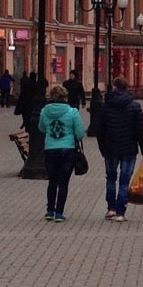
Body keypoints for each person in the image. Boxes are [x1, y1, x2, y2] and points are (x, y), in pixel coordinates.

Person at [95, 79, 143, 221]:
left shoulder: (105, 106)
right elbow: (141, 131)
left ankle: (111, 209)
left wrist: (102, 148)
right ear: (127, 88)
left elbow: (99, 130)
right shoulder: (134, 106)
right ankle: (121, 212)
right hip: (129, 149)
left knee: (111, 178)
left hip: (110, 148)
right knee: (124, 180)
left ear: (114, 87)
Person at [37, 83, 86, 223]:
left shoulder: (44, 111)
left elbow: (41, 128)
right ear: (65, 97)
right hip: (67, 150)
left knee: (52, 181)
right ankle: (59, 213)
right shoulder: (72, 112)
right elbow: (80, 133)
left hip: (50, 149)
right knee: (63, 182)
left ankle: (49, 210)